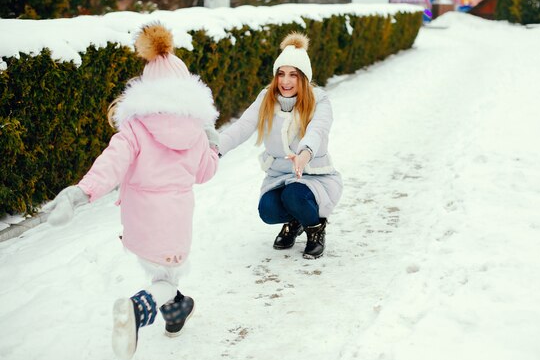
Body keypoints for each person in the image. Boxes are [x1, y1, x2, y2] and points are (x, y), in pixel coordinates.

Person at [43, 23, 220, 359]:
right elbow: (206, 172)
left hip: (139, 221)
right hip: (174, 220)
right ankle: (139, 310)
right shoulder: (196, 131)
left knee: (160, 271)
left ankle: (176, 314)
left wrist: (81, 193)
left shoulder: (135, 129)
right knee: (165, 278)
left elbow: (110, 164)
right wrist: (212, 144)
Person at [216, 32, 342, 259]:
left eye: (293, 75)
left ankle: (315, 228)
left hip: (313, 175)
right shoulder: (267, 98)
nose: (285, 81)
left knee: (295, 194)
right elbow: (243, 126)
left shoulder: (319, 101)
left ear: (303, 77)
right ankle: (296, 220)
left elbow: (317, 130)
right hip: (278, 175)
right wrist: (216, 149)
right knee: (268, 210)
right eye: (281, 74)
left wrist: (304, 154)